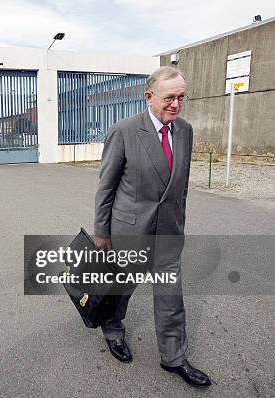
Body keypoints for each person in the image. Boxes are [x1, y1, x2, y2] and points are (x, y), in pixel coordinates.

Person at [93, 66, 211, 387]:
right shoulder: (124, 131)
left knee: (171, 297)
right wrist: (102, 233)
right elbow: (106, 187)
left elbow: (181, 185)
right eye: (169, 97)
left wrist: (179, 223)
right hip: (131, 230)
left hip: (169, 233)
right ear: (149, 97)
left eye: (181, 98)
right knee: (121, 290)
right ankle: (113, 329)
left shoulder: (185, 131)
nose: (176, 104)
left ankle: (174, 357)